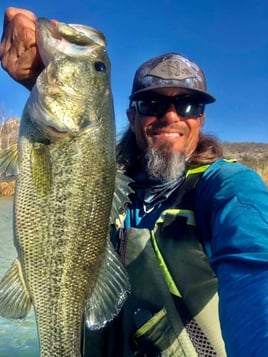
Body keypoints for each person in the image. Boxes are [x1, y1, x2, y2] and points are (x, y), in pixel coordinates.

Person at [1, 7, 268, 357]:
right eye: (152, 103)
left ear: (201, 119)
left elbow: (256, 267)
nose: (170, 116)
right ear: (131, 114)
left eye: (187, 104)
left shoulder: (228, 187)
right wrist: (47, 77)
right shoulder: (107, 174)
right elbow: (75, 144)